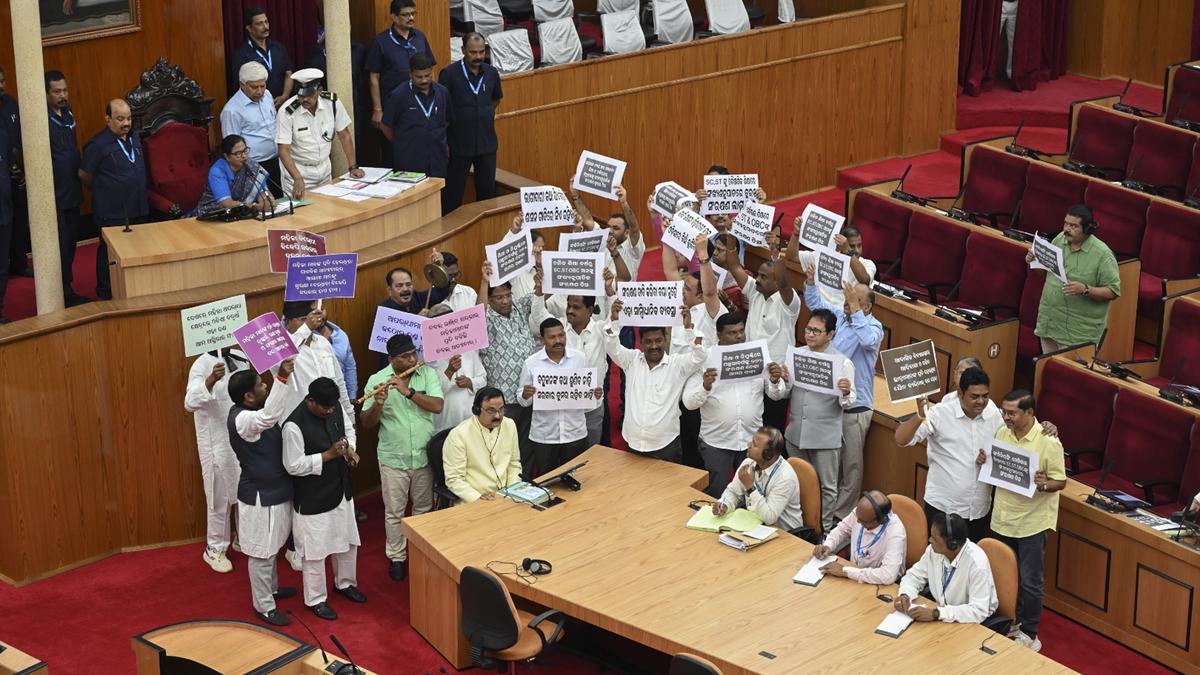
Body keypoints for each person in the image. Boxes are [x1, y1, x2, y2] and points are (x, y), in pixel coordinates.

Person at [978, 390, 1065, 652]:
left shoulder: (1048, 441)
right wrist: (983, 461)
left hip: (1032, 523)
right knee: (1002, 574)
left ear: (1029, 413)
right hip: (1003, 517)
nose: (1006, 417)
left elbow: (1060, 481)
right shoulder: (1002, 433)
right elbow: (993, 467)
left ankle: (1029, 632)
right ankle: (1008, 621)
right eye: (1005, 412)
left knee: (1030, 581)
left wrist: (1043, 485)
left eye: (1012, 413)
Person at [802, 260, 883, 529]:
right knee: (831, 464)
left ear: (866, 306)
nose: (847, 305)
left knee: (851, 467)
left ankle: (841, 518)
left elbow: (868, 341)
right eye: (847, 301)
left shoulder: (873, 327)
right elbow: (816, 303)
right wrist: (811, 282)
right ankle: (826, 511)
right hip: (831, 404)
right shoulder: (842, 318)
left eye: (854, 301)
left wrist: (854, 308)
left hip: (856, 407)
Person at [361, 334, 444, 582]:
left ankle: (420, 552)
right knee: (394, 512)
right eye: (406, 356)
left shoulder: (427, 374)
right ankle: (397, 556)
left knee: (423, 508)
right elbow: (366, 423)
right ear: (391, 360)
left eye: (414, 353)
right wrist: (378, 404)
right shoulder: (376, 380)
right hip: (393, 458)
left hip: (423, 455)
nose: (412, 359)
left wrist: (408, 392)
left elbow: (437, 406)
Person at [283, 378, 367, 620]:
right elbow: (292, 465)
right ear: (310, 400)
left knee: (348, 542)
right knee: (315, 551)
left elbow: (348, 430)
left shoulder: (334, 406)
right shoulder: (293, 426)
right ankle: (316, 599)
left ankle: (345, 583)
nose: (330, 411)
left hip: (341, 489)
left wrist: (349, 447)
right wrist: (327, 456)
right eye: (325, 408)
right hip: (313, 497)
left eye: (332, 407)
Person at [226, 359, 299, 626]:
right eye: (260, 385)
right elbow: (268, 417)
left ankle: (273, 589)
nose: (265, 386)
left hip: (277, 490)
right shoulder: (243, 419)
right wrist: (281, 377)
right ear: (248, 396)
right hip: (260, 497)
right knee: (261, 552)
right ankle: (264, 606)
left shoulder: (254, 408)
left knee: (274, 545)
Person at [683, 313, 788, 497]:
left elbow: (776, 395)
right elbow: (689, 403)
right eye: (732, 333)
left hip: (752, 441)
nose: (739, 336)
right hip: (717, 442)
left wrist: (774, 381)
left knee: (752, 494)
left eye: (741, 331)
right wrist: (705, 387)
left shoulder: (757, 355)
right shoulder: (704, 359)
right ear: (718, 334)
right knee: (715, 494)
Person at [893, 367, 1001, 543]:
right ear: (960, 393)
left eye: (985, 396)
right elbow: (901, 439)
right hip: (943, 509)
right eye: (974, 396)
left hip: (978, 512)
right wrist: (919, 416)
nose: (981, 401)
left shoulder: (994, 414)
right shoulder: (940, 413)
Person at [604, 298, 707, 461]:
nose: (653, 346)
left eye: (658, 340)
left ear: (665, 339)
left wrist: (688, 329)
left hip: (666, 446)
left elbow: (700, 356)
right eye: (648, 342)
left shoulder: (677, 364)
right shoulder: (631, 360)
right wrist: (615, 321)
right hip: (633, 442)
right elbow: (611, 346)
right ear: (641, 342)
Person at [784, 308, 856, 531]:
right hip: (796, 433)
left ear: (831, 334)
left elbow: (850, 401)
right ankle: (799, 526)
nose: (810, 334)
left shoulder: (843, 363)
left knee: (827, 487)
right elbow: (782, 394)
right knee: (796, 482)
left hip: (825, 438)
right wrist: (781, 380)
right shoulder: (796, 355)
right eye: (808, 329)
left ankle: (822, 531)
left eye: (816, 331)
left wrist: (845, 392)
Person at [721, 226, 800, 431]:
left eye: (764, 277)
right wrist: (731, 239)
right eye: (758, 275)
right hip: (751, 373)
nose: (757, 279)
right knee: (750, 427)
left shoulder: (789, 304)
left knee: (772, 431)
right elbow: (733, 265)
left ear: (776, 281)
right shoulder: (754, 292)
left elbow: (785, 283)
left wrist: (776, 255)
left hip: (776, 377)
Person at [185, 348, 252, 573]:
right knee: (219, 496)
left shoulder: (240, 357)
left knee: (244, 490)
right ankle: (215, 548)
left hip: (242, 435)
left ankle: (243, 538)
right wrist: (211, 380)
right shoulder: (201, 364)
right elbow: (189, 402)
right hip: (216, 440)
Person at [80, 98, 148, 300]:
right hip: (112, 209)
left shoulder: (135, 137)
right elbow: (84, 174)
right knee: (109, 252)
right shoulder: (97, 144)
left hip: (138, 205)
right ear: (107, 119)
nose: (126, 123)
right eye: (120, 119)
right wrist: (105, 189)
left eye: (129, 118)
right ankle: (106, 291)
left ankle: (136, 286)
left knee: (139, 247)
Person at [518, 318, 604, 476]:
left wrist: (595, 394)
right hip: (544, 436)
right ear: (542, 339)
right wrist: (525, 394)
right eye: (552, 337)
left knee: (575, 478)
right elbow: (523, 401)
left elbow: (589, 396)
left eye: (561, 335)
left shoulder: (580, 359)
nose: (558, 340)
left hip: (575, 433)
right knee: (548, 479)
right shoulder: (531, 363)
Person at [1030, 204, 1120, 354]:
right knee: (1048, 368)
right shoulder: (1060, 239)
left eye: (1074, 226)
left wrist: (1085, 289)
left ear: (1087, 229)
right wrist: (1034, 261)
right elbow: (1047, 274)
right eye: (1066, 223)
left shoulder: (1103, 254)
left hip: (1078, 334)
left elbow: (1113, 291)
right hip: (1049, 324)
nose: (1067, 229)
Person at [478, 263, 541, 471]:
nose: (505, 300)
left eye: (508, 295)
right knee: (503, 447)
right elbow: (477, 315)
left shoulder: (519, 308)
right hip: (503, 399)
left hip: (528, 392)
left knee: (527, 444)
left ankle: (526, 480)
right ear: (490, 299)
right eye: (499, 297)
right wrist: (484, 282)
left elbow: (539, 294)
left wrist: (540, 268)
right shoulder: (486, 318)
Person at [532, 284, 611, 448]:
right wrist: (539, 292)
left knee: (592, 454)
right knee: (568, 456)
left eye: (576, 307)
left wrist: (610, 291)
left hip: (592, 408)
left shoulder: (601, 330)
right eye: (568, 306)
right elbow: (538, 315)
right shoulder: (559, 329)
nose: (570, 311)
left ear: (590, 310)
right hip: (564, 410)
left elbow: (617, 321)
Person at [439, 32, 503, 214]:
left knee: (487, 195)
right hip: (459, 144)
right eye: (473, 52)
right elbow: (443, 107)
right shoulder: (449, 74)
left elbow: (496, 99)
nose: (478, 56)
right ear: (463, 50)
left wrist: (482, 113)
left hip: (486, 143)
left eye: (482, 52)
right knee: (453, 196)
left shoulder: (491, 73)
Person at [276, 68, 365, 200]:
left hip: (324, 170)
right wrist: (297, 177)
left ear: (319, 91)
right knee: (301, 212)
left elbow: (344, 135)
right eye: (301, 95)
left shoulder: (332, 103)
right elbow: (283, 150)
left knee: (326, 208)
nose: (304, 99)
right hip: (298, 172)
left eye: (309, 95)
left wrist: (353, 167)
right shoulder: (287, 112)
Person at [895, 513, 998, 625]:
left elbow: (978, 610)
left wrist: (937, 613)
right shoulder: (933, 551)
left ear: (952, 544)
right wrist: (905, 593)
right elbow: (914, 576)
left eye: (934, 538)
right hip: (944, 616)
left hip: (970, 622)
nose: (930, 540)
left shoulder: (977, 564)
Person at [278, 301, 357, 447]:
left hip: (331, 419)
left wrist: (350, 417)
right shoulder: (279, 347)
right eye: (303, 319)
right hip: (298, 426)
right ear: (287, 322)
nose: (309, 323)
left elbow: (339, 382)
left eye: (310, 318)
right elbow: (284, 358)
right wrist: (306, 329)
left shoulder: (323, 343)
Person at [44, 70, 87, 306]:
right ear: (46, 94)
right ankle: (60, 293)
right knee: (59, 247)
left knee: (70, 244)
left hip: (73, 191)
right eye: (57, 92)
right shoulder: (42, 119)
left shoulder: (68, 112)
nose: (63, 95)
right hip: (56, 196)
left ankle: (66, 289)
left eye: (65, 90)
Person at [712, 427, 804, 530]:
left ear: (768, 454)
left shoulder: (785, 478)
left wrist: (750, 488)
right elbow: (733, 492)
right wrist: (725, 504)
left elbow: (770, 518)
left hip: (785, 532)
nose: (748, 445)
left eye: (754, 445)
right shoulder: (748, 463)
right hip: (755, 525)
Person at [367, 0, 435, 138]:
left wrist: (433, 98)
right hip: (393, 105)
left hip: (420, 103)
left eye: (413, 13)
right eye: (406, 15)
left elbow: (430, 69)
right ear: (394, 17)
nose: (411, 18)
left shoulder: (420, 37)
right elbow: (374, 76)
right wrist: (377, 109)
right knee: (394, 146)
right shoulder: (381, 41)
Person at [443, 387, 523, 502]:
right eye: (491, 411)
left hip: (506, 496)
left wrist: (512, 492)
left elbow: (514, 464)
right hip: (474, 500)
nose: (497, 416)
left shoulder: (509, 425)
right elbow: (454, 479)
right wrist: (478, 498)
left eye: (501, 409)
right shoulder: (459, 434)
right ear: (476, 410)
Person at [812, 490, 908, 585]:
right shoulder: (861, 513)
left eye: (863, 521)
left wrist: (845, 571)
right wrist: (828, 545)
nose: (857, 521)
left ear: (881, 521)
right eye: (857, 516)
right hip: (853, 573)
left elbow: (888, 575)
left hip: (877, 583)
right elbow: (842, 529)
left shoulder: (896, 533)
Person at [381, 53, 450, 180]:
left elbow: (447, 121)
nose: (424, 80)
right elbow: (386, 126)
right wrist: (402, 141)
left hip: (437, 161)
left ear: (432, 72)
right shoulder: (398, 95)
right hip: (409, 162)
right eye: (419, 77)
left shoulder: (442, 92)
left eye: (427, 75)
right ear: (410, 74)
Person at [220, 61, 281, 197]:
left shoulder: (267, 95)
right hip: (253, 167)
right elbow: (231, 147)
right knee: (263, 205)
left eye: (262, 86)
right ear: (242, 85)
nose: (259, 91)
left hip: (277, 161)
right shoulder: (232, 110)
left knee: (281, 201)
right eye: (254, 87)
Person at [428, 303, 487, 431]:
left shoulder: (469, 349)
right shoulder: (429, 358)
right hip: (445, 421)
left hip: (471, 418)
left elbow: (483, 379)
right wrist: (449, 372)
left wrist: (470, 382)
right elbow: (431, 395)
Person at [795, 224, 877, 306]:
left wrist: (849, 252)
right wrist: (796, 234)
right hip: (819, 308)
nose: (857, 250)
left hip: (844, 312)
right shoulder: (825, 256)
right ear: (840, 246)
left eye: (859, 245)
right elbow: (793, 256)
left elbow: (865, 280)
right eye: (852, 246)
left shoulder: (868, 264)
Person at [196, 135, 274, 217]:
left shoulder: (251, 165)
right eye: (238, 153)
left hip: (243, 214)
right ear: (227, 156)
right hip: (214, 215)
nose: (244, 156)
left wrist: (267, 201)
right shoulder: (217, 171)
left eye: (245, 150)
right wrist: (255, 207)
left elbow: (262, 191)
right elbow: (226, 204)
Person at [232, 6, 294, 108]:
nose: (265, 27)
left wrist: (285, 96)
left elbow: (288, 73)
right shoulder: (242, 54)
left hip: (283, 104)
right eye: (259, 24)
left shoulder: (278, 47)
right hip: (258, 107)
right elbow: (243, 85)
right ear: (249, 28)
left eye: (266, 22)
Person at [0, 67, 27, 282]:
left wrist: (21, 167)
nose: (1, 86)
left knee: (20, 219)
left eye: (2, 81)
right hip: (2, 172)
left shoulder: (11, 103)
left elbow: (20, 136)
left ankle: (19, 263)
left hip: (17, 172)